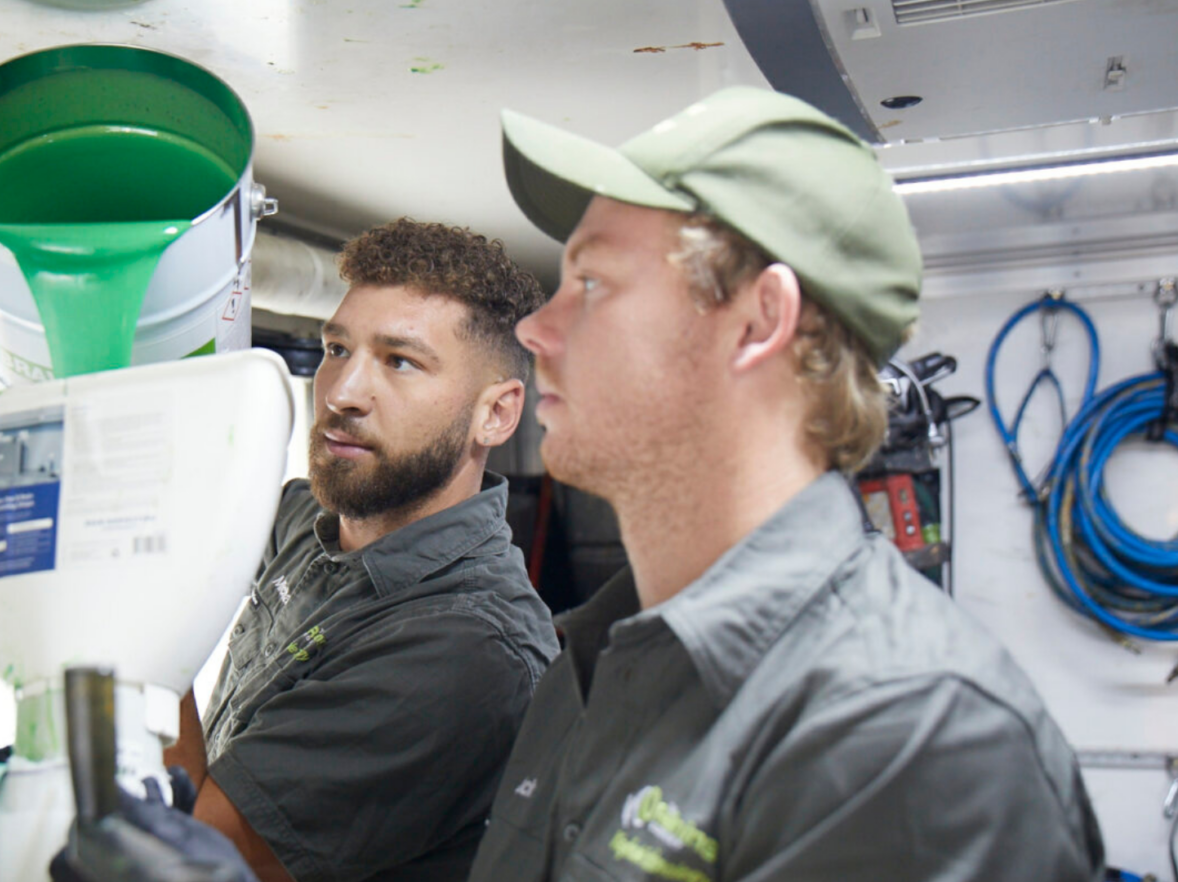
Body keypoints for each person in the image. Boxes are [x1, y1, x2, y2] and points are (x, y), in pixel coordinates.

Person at [461, 86, 1104, 881]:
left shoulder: (907, 735)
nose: (534, 329)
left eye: (591, 283)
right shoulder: (590, 668)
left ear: (759, 321)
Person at [55, 218, 559, 882]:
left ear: (495, 414)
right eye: (336, 349)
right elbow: (185, 512)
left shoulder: (467, 654)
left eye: (399, 361)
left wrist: (145, 608)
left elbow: (185, 860)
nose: (342, 393)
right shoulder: (304, 519)